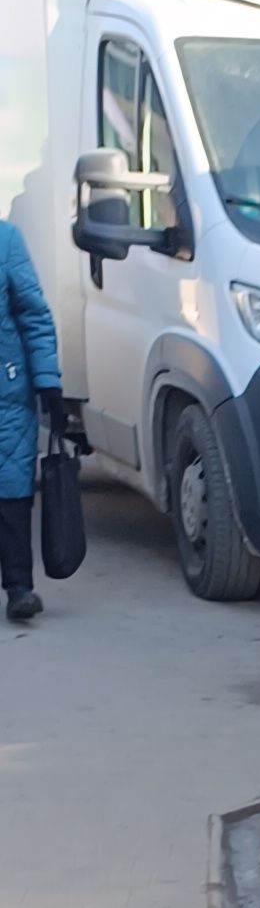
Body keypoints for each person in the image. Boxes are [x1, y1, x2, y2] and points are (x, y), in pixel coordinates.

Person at [0, 221, 68, 625]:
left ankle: (19, 588)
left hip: (6, 392)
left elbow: (33, 314)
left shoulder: (5, 240)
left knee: (11, 491)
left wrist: (47, 380)